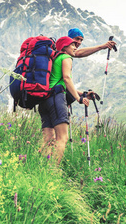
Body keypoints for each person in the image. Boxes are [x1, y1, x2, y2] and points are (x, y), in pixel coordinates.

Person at [38, 36, 91, 164]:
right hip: (56, 99)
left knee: (48, 139)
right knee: (62, 137)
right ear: (64, 47)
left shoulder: (54, 59)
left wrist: (82, 93)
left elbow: (58, 80)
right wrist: (79, 98)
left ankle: (39, 167)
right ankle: (53, 172)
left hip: (44, 100)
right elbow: (67, 79)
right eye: (72, 45)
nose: (75, 47)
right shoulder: (66, 57)